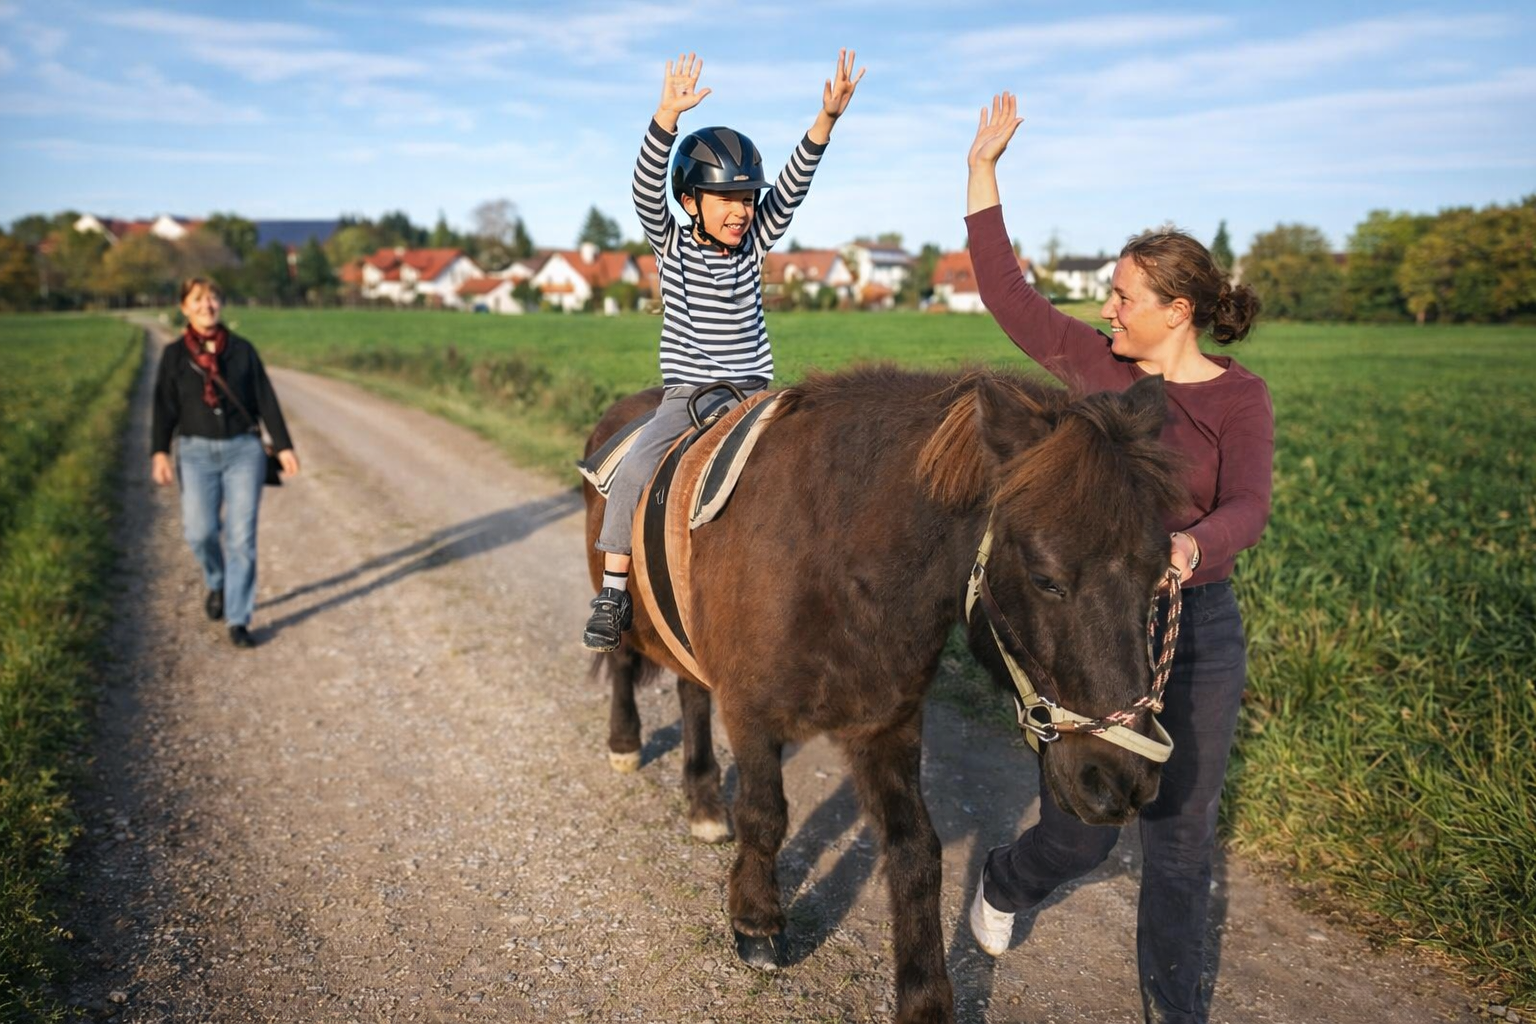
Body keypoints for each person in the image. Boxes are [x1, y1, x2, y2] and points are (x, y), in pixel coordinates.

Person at [962, 93, 1274, 1024]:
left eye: (1123, 298)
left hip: (1199, 626)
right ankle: (1013, 879)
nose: (1106, 309)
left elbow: (1250, 506)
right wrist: (983, 173)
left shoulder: (1238, 399)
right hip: (1101, 622)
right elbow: (1008, 294)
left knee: (1181, 844)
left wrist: (1193, 543)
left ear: (1177, 310)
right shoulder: (1099, 367)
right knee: (1084, 835)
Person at [582, 49, 866, 652]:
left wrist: (826, 121)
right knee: (633, 469)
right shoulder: (671, 246)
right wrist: (665, 119)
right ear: (691, 203)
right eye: (726, 199)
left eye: (746, 199)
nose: (741, 211)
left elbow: (794, 183)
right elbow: (642, 189)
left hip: (757, 396)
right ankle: (611, 591)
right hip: (688, 399)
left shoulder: (756, 242)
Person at [151, 277, 299, 648]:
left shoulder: (243, 350)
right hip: (195, 453)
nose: (207, 305)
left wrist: (283, 445)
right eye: (198, 299)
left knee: (241, 537)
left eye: (214, 297)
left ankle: (238, 617)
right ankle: (216, 581)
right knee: (199, 531)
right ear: (184, 307)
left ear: (222, 304)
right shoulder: (173, 356)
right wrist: (159, 452)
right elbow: (164, 407)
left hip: (243, 452)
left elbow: (265, 399)